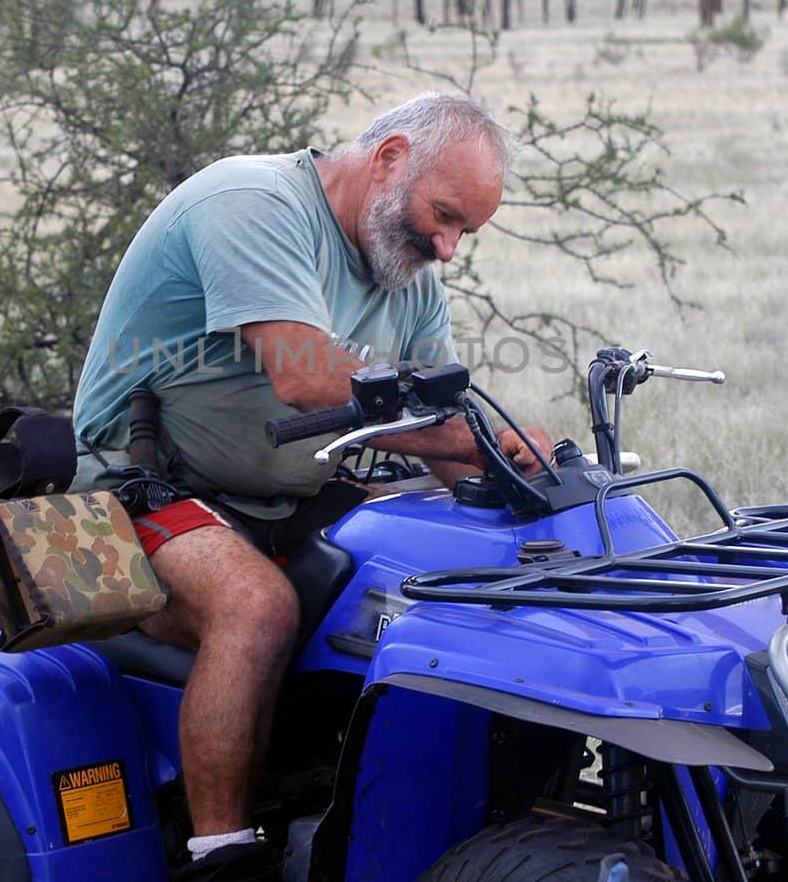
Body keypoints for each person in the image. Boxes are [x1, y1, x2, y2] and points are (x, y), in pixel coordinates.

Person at [70, 92, 553, 880]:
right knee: (256, 607)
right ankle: (221, 855)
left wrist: (532, 472)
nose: (448, 246)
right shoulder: (253, 203)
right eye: (444, 215)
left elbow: (442, 429)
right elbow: (302, 377)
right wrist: (480, 437)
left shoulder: (411, 277)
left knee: (439, 578)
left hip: (288, 497)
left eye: (467, 230)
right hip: (130, 489)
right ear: (391, 158)